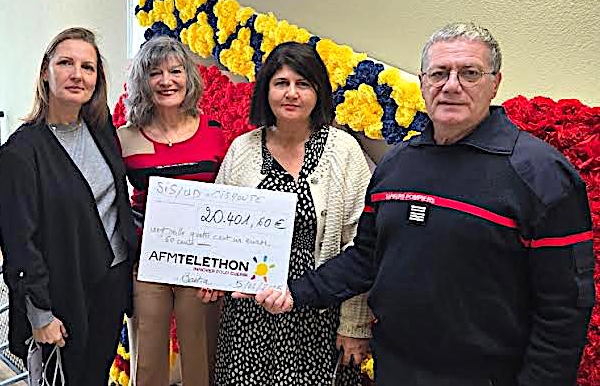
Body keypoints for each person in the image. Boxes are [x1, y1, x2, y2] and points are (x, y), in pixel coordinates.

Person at [253, 23, 595, 386]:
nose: (451, 85)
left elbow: (564, 307)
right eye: (439, 73)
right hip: (395, 369)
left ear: (495, 83)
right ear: (423, 82)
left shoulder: (541, 174)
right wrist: (296, 292)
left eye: (469, 73)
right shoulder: (397, 165)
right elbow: (368, 257)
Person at [202, 41, 373, 386]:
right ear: (266, 90)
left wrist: (354, 325)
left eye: (303, 84)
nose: (291, 94)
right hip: (249, 316)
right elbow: (216, 230)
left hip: (318, 312)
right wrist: (210, 275)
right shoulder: (243, 150)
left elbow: (362, 246)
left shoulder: (344, 151)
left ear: (318, 91)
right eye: (281, 83)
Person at [0, 27, 137, 386]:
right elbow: (18, 241)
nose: (77, 74)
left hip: (111, 283)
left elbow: (113, 202)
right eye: (66, 63)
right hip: (63, 293)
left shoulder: (101, 129)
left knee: (97, 377)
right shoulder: (21, 151)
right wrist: (39, 313)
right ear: (46, 71)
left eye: (88, 67)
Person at [119, 35, 227, 386]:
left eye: (175, 71)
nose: (166, 81)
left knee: (201, 355)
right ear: (142, 82)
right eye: (155, 73)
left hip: (202, 262)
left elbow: (227, 198)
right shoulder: (126, 137)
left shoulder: (213, 133)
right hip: (147, 260)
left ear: (188, 78)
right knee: (147, 356)